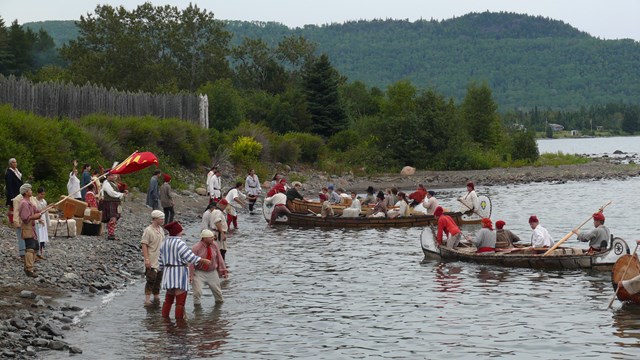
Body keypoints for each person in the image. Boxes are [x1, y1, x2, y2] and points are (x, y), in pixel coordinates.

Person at [158, 221, 211, 320]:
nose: (182, 232)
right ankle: (179, 322)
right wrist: (202, 260)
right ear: (177, 232)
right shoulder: (180, 243)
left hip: (168, 272)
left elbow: (160, 260)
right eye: (181, 230)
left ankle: (165, 320)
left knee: (168, 298)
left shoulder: (164, 243)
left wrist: (161, 270)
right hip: (179, 271)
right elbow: (189, 257)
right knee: (180, 299)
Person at [189, 229, 228, 307]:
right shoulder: (196, 248)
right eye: (210, 237)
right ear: (204, 238)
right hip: (199, 272)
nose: (212, 239)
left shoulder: (215, 245)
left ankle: (218, 310)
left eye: (213, 237)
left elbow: (219, 257)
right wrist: (191, 275)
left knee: (218, 293)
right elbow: (191, 261)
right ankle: (197, 311)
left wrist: (223, 270)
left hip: (212, 272)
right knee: (197, 292)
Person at [141, 210, 165, 306]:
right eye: (161, 218)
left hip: (160, 260)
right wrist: (146, 259)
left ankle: (156, 297)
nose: (163, 220)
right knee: (151, 279)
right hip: (152, 258)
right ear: (155, 219)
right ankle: (147, 300)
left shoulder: (161, 229)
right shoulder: (148, 230)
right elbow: (144, 244)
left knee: (158, 279)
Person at [18, 184, 41, 278]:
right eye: (30, 190)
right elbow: (25, 218)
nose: (31, 191)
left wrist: (51, 206)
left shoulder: (29, 202)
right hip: (27, 229)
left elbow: (37, 211)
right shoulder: (24, 203)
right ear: (26, 192)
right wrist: (34, 217)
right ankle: (29, 269)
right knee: (30, 248)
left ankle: (28, 266)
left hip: (32, 229)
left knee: (35, 247)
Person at [101, 172, 128, 241]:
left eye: (113, 175)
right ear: (108, 176)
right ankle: (111, 235)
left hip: (114, 202)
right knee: (112, 219)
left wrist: (123, 191)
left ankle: (111, 234)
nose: (114, 176)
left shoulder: (113, 183)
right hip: (110, 202)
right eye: (112, 175)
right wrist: (121, 195)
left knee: (114, 218)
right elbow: (112, 193)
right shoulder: (106, 183)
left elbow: (118, 189)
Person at [6, 158, 24, 252]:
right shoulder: (9, 173)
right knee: (13, 208)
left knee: (17, 207)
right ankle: (12, 221)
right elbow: (9, 185)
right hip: (13, 193)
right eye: (13, 162)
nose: (15, 163)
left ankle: (16, 219)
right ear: (10, 164)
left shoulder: (17, 171)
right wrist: (12, 196)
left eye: (16, 162)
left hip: (19, 192)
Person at [35, 187, 50, 260]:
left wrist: (48, 222)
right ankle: (36, 253)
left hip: (43, 220)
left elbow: (46, 213)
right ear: (38, 193)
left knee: (42, 238)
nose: (42, 196)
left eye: (44, 194)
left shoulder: (44, 201)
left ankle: (40, 253)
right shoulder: (34, 201)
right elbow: (35, 212)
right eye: (41, 194)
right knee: (38, 237)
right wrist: (38, 219)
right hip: (37, 220)